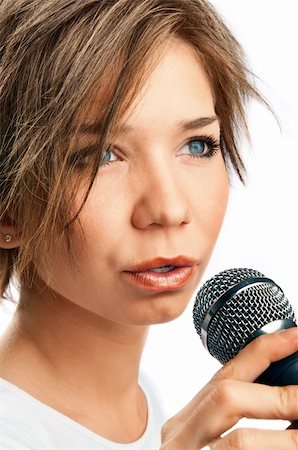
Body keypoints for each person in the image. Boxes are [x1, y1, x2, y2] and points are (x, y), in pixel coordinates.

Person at [0, 0, 297, 449]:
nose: (169, 207)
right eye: (102, 155)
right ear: (8, 208)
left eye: (197, 146)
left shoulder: (148, 408)